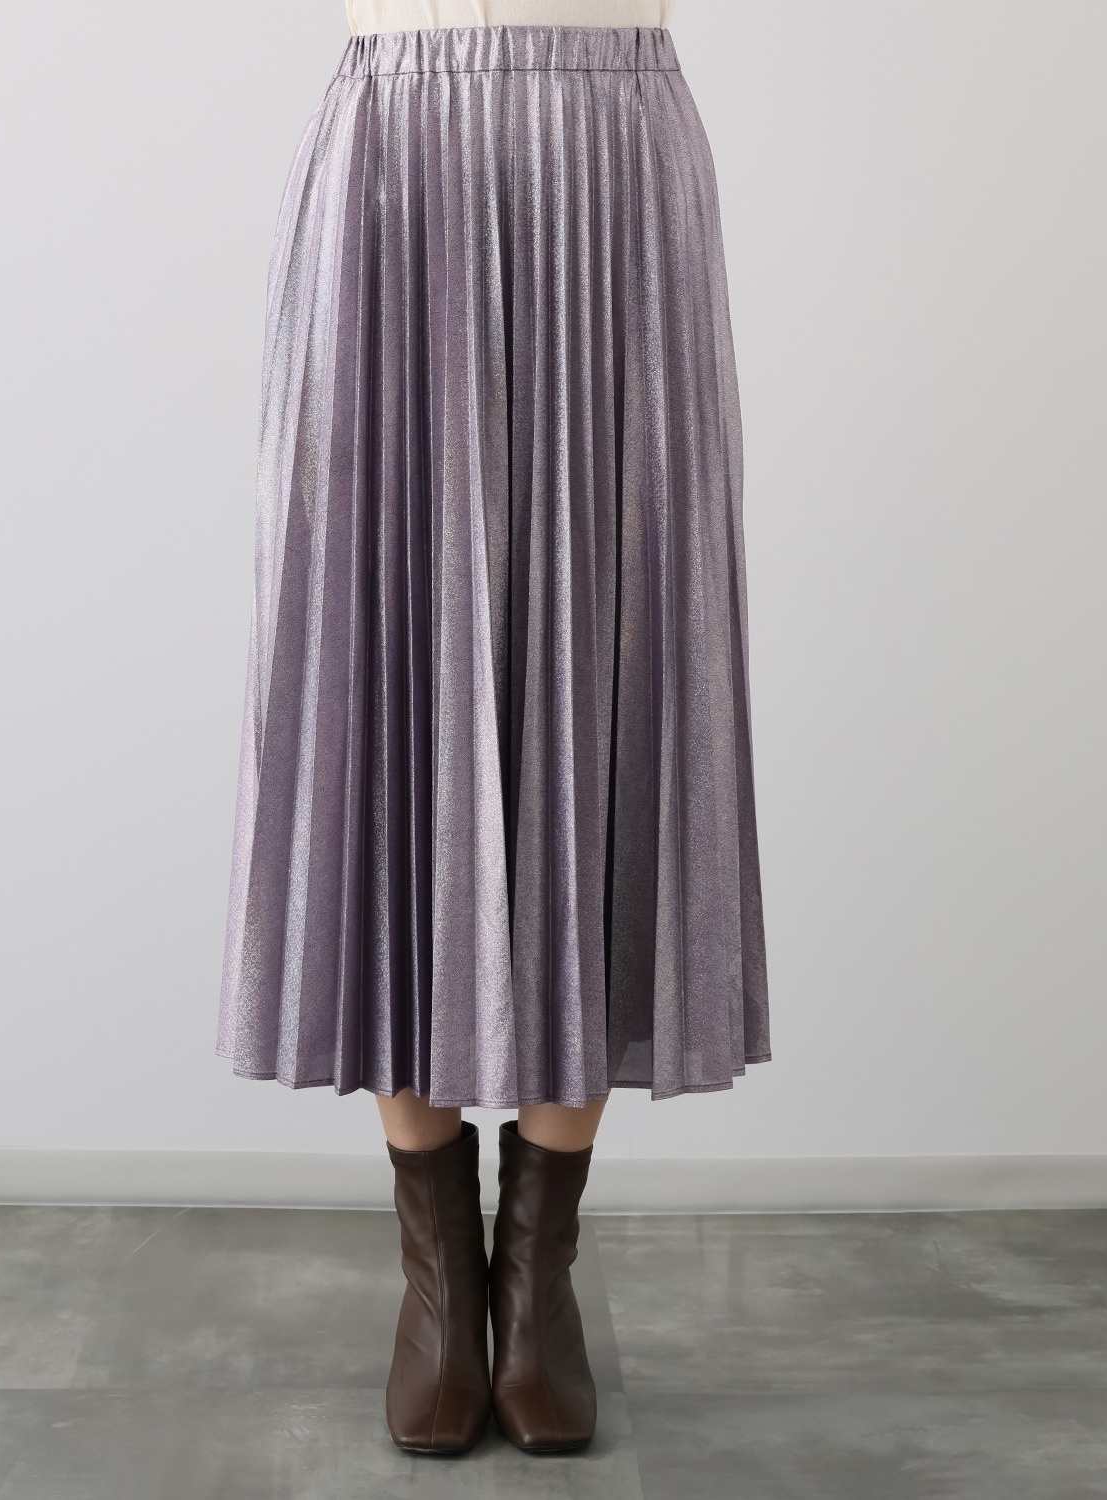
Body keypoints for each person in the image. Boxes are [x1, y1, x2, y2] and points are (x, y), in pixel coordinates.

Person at [217, 0, 769, 1456]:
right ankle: (437, 1286)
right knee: (392, 665)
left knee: (609, 661)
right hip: (400, 139)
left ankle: (536, 1280)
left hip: (613, 148)